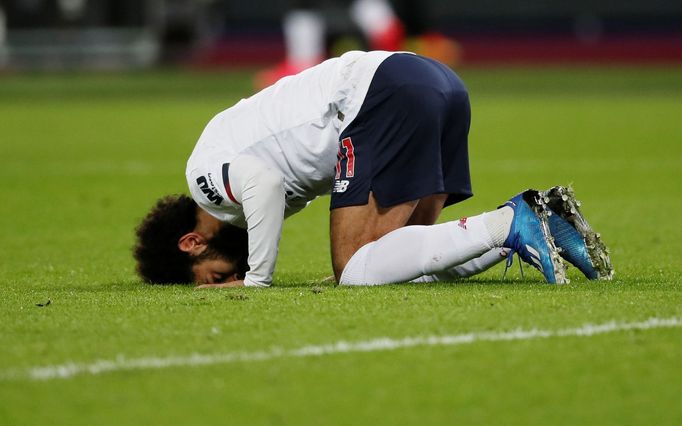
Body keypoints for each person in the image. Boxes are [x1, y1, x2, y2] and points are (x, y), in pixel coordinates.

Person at [133, 50, 613, 287]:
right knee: (403, 264)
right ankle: (541, 220)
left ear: (191, 243)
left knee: (355, 270)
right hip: (434, 82)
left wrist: (258, 280)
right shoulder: (228, 166)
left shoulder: (205, 182)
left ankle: (511, 221)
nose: (228, 280)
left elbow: (265, 180)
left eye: (215, 278)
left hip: (381, 94)